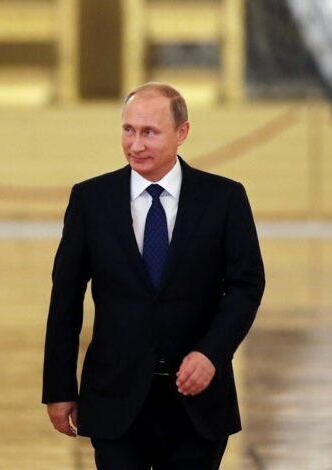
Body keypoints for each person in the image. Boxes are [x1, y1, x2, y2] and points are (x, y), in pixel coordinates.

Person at [42, 82, 265, 469]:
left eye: (149, 132)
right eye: (128, 130)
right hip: (115, 398)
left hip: (197, 403)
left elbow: (246, 286)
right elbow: (65, 298)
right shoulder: (90, 200)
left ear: (182, 132)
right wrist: (59, 388)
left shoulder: (224, 199)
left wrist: (212, 353)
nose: (136, 145)